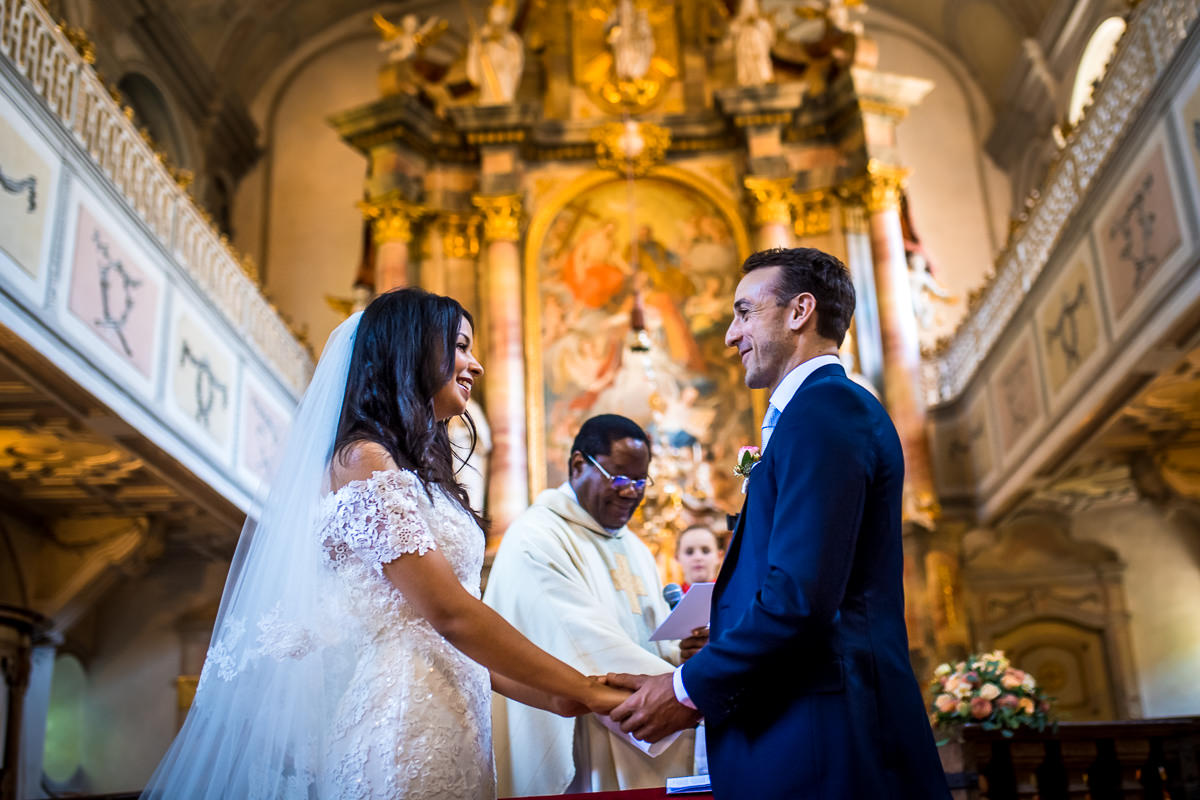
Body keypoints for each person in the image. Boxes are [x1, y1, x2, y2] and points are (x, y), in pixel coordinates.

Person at [142, 289, 627, 800]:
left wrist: (568, 697)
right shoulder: (362, 459)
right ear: (412, 351)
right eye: (460, 347)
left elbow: (451, 640)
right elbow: (450, 613)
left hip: (452, 712)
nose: (476, 365)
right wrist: (581, 688)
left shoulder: (421, 473)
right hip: (402, 721)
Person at [607, 248, 951, 799]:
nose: (730, 334)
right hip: (799, 726)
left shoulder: (827, 411)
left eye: (745, 312)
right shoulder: (810, 415)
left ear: (800, 312)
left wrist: (685, 688)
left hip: (825, 737)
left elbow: (798, 597)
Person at [484, 414, 701, 796]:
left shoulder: (633, 547)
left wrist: (683, 659)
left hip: (644, 726)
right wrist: (688, 692)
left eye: (639, 482)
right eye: (619, 478)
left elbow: (650, 639)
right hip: (586, 734)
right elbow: (584, 643)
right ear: (579, 465)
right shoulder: (535, 539)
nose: (631, 492)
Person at [675, 525, 723, 591]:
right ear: (677, 558)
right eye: (689, 552)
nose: (698, 557)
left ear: (719, 556)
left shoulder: (731, 595)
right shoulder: (667, 601)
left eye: (706, 551)